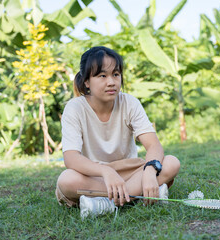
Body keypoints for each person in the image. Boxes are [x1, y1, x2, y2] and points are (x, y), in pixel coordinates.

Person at [55, 46, 180, 217]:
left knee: (172, 162)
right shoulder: (74, 108)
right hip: (95, 176)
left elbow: (153, 145)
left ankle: (104, 204)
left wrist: (150, 170)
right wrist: (106, 171)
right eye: (102, 76)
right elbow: (71, 158)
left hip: (130, 171)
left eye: (116, 74)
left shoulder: (130, 102)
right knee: (67, 180)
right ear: (86, 81)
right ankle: (141, 194)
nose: (111, 82)